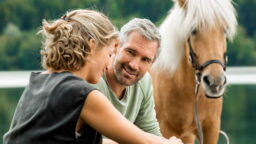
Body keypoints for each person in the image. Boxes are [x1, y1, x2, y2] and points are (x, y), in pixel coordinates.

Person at [3, 9, 183, 144]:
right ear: (91, 46)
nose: (108, 62)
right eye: (108, 52)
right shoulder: (82, 94)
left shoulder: (40, 80)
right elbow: (144, 141)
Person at [92, 18, 177, 144]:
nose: (134, 65)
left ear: (152, 63)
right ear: (116, 46)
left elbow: (150, 132)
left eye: (145, 60)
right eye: (131, 52)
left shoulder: (144, 82)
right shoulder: (94, 78)